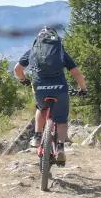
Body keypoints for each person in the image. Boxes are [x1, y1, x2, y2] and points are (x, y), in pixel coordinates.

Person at [15, 27, 89, 166]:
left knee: (41, 108)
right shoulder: (60, 51)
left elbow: (17, 69)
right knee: (61, 120)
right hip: (59, 87)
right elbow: (76, 73)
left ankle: (37, 136)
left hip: (40, 86)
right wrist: (83, 89)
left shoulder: (33, 50)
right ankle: (60, 146)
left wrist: (24, 80)